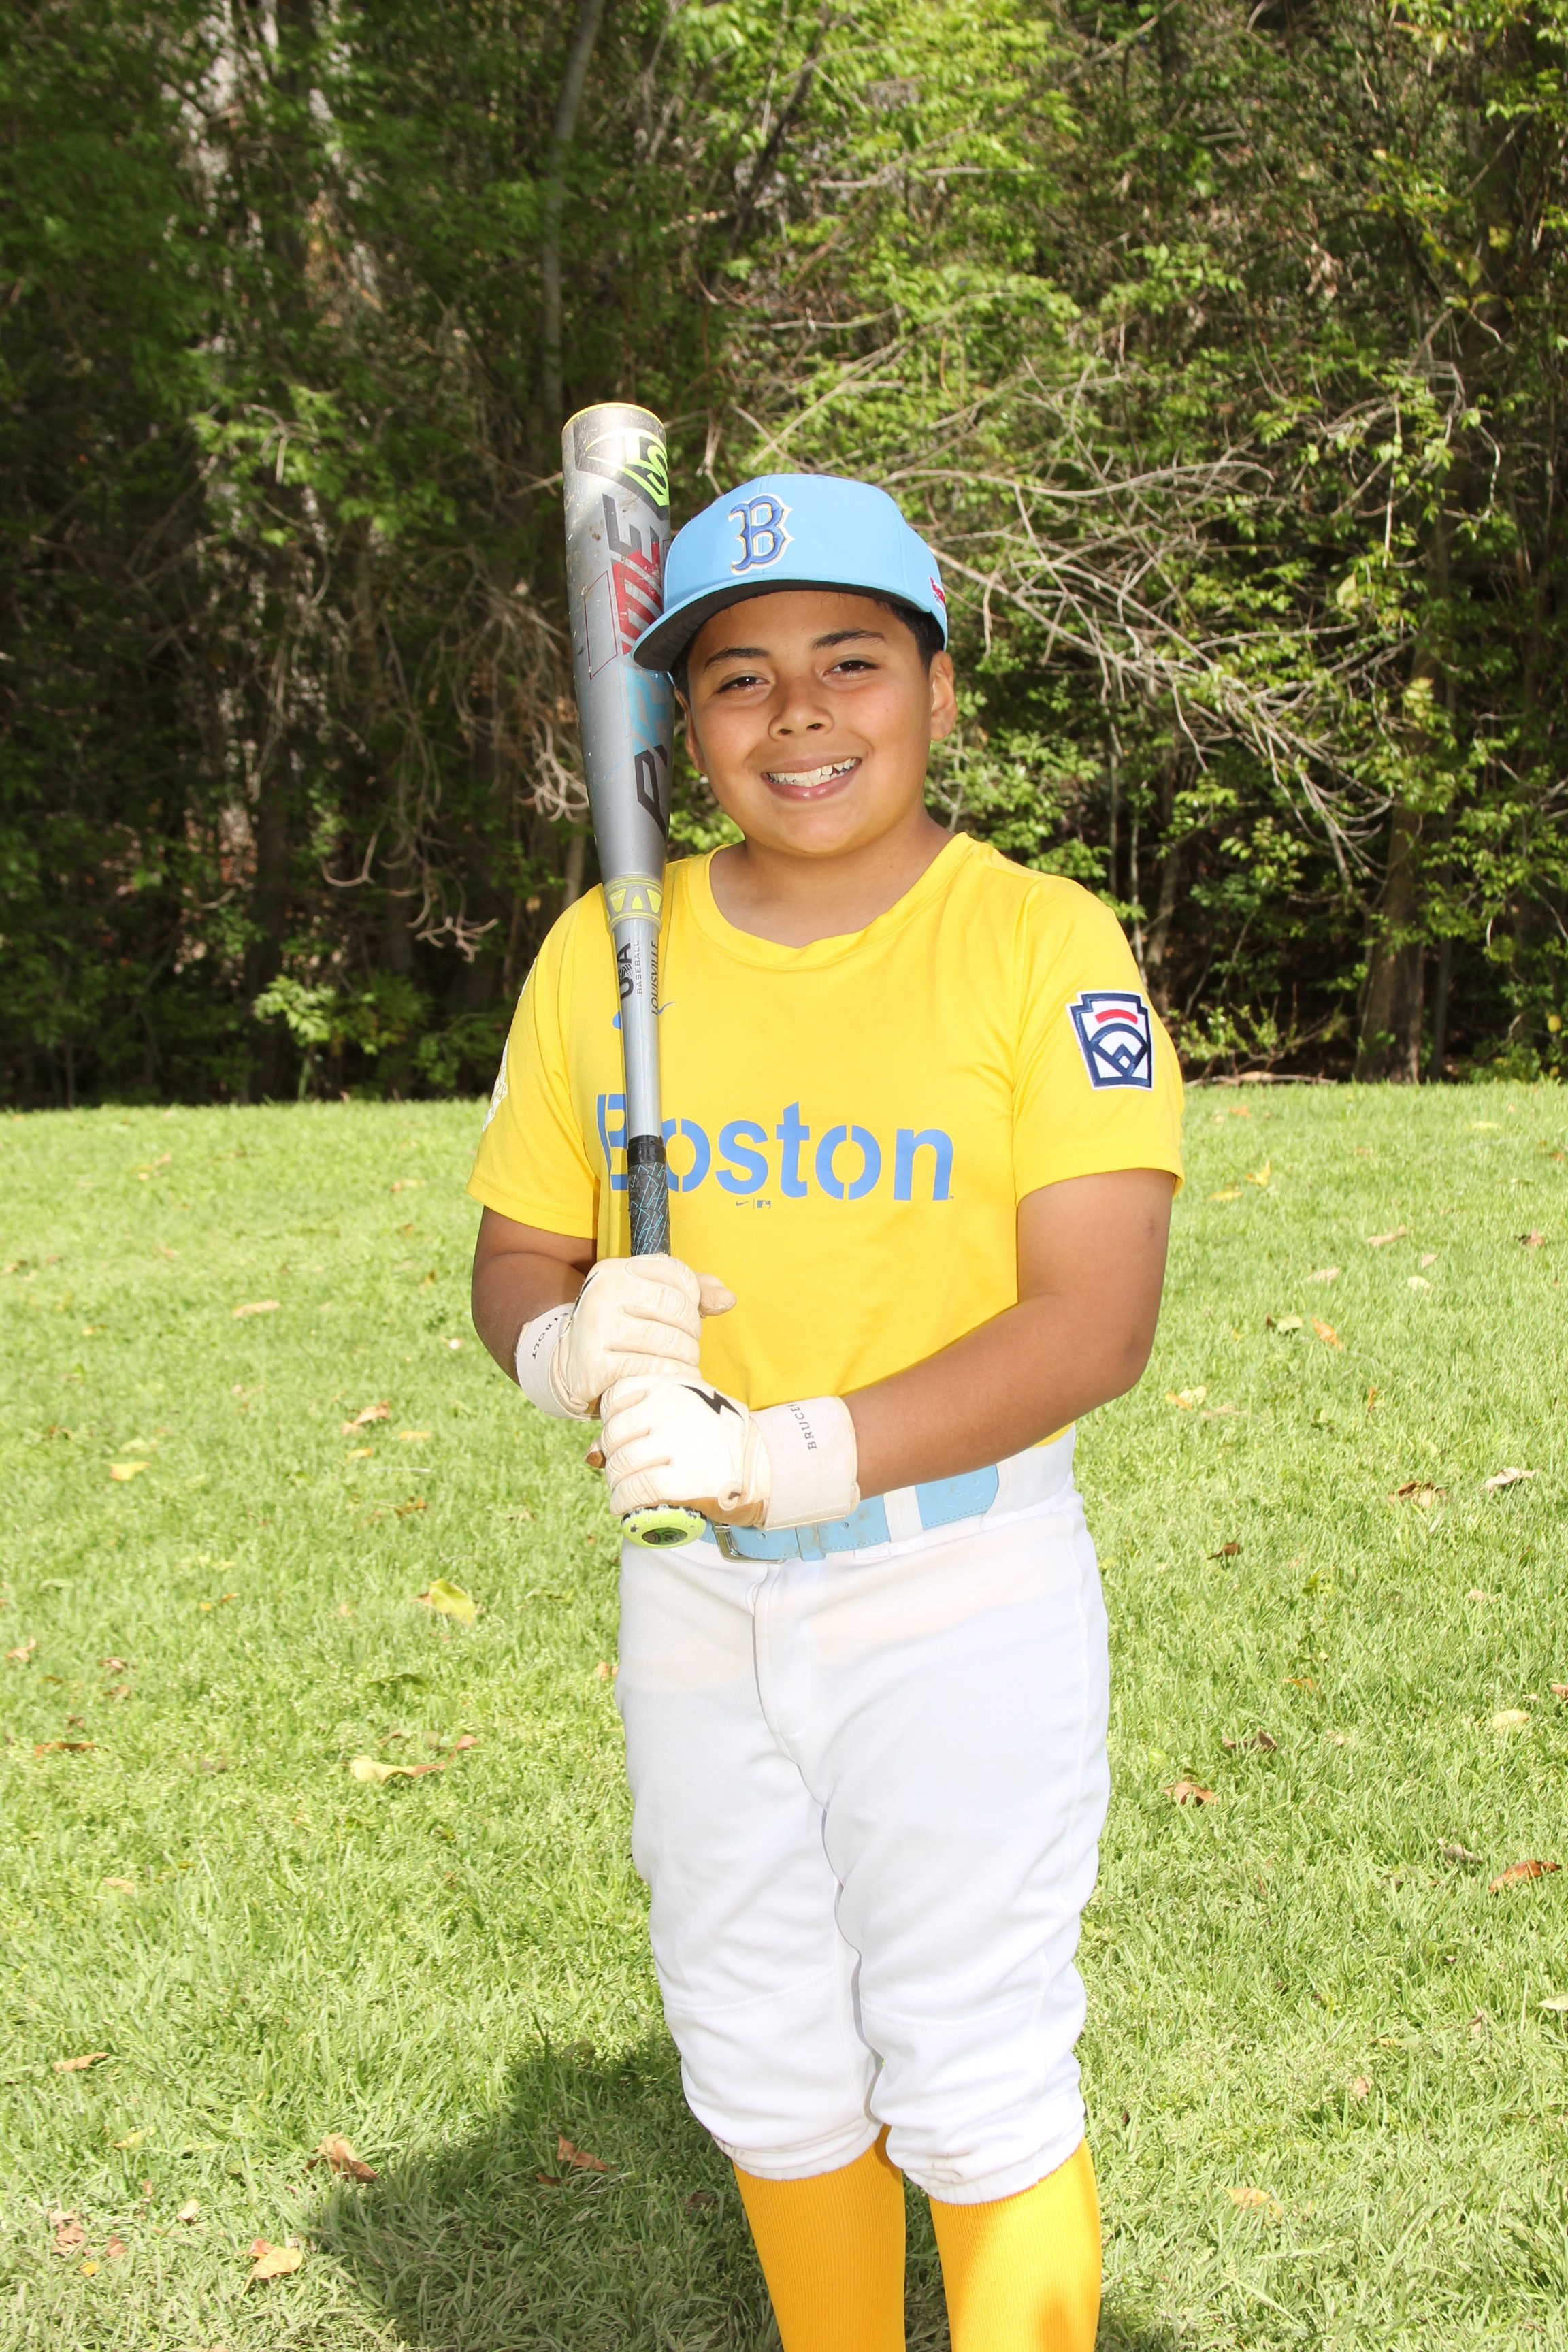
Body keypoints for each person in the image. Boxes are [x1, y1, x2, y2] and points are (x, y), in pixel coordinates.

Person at [468, 472, 1183, 2351]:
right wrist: (565, 1347)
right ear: (683, 725)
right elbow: (517, 1258)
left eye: (852, 661)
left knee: (973, 2068)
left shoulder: (1039, 943)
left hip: (958, 1589)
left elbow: (1096, 1321)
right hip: (696, 1591)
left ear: (939, 692)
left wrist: (787, 1453)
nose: (798, 713)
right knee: (765, 2061)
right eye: (738, 677)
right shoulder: (606, 954)